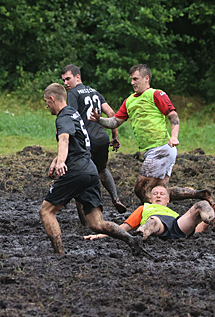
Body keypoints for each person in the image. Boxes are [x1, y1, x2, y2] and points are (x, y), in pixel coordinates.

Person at [39, 83, 143, 256]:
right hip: (90, 170)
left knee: (46, 211)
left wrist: (60, 162)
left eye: (46, 102)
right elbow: (75, 143)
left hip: (75, 170)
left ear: (52, 98)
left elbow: (64, 139)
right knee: (96, 223)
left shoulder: (63, 116)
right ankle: (131, 240)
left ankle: (60, 255)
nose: (46, 106)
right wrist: (56, 160)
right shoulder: (75, 114)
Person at [90, 64, 213, 205]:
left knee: (141, 189)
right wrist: (99, 119)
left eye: (135, 79)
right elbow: (115, 121)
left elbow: (173, 115)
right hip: (155, 150)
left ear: (146, 78)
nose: (132, 83)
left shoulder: (156, 94)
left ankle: (152, 216)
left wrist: (174, 136)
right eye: (131, 79)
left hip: (161, 148)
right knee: (161, 191)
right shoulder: (129, 101)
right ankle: (201, 194)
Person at [61, 64, 126, 224]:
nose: (66, 83)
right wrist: (115, 136)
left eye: (68, 78)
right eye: (63, 80)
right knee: (102, 169)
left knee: (79, 175)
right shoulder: (94, 91)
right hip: (102, 138)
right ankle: (115, 198)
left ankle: (84, 220)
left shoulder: (73, 93)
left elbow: (72, 117)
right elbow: (111, 114)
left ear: (78, 77)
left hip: (86, 141)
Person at [84, 185, 215, 241]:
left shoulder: (173, 212)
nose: (158, 196)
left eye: (162, 194)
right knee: (153, 221)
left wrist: (207, 222)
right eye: (155, 194)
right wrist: (101, 235)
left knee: (202, 205)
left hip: (177, 225)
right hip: (157, 224)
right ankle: (139, 238)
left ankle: (213, 219)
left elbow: (197, 232)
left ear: (168, 200)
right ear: (150, 199)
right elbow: (124, 228)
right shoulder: (144, 208)